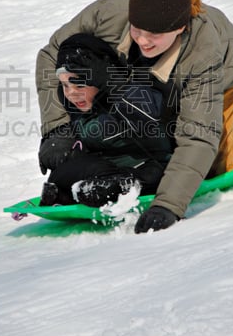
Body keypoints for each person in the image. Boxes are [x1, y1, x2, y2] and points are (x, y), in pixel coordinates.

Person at [36, 0, 233, 233]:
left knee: (217, 164)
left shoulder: (204, 55)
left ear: (179, 28)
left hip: (217, 77)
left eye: (154, 34)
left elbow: (198, 137)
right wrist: (56, 128)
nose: (143, 40)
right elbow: (51, 54)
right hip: (143, 75)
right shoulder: (109, 13)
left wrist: (169, 204)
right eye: (137, 30)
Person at [39, 33, 171, 208]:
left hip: (153, 167)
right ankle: (73, 192)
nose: (71, 93)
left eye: (79, 84)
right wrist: (60, 139)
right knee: (61, 174)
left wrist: (113, 83)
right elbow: (82, 136)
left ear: (100, 79)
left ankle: (111, 188)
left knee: (148, 174)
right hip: (107, 169)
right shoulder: (79, 106)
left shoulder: (133, 91)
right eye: (65, 85)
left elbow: (150, 117)